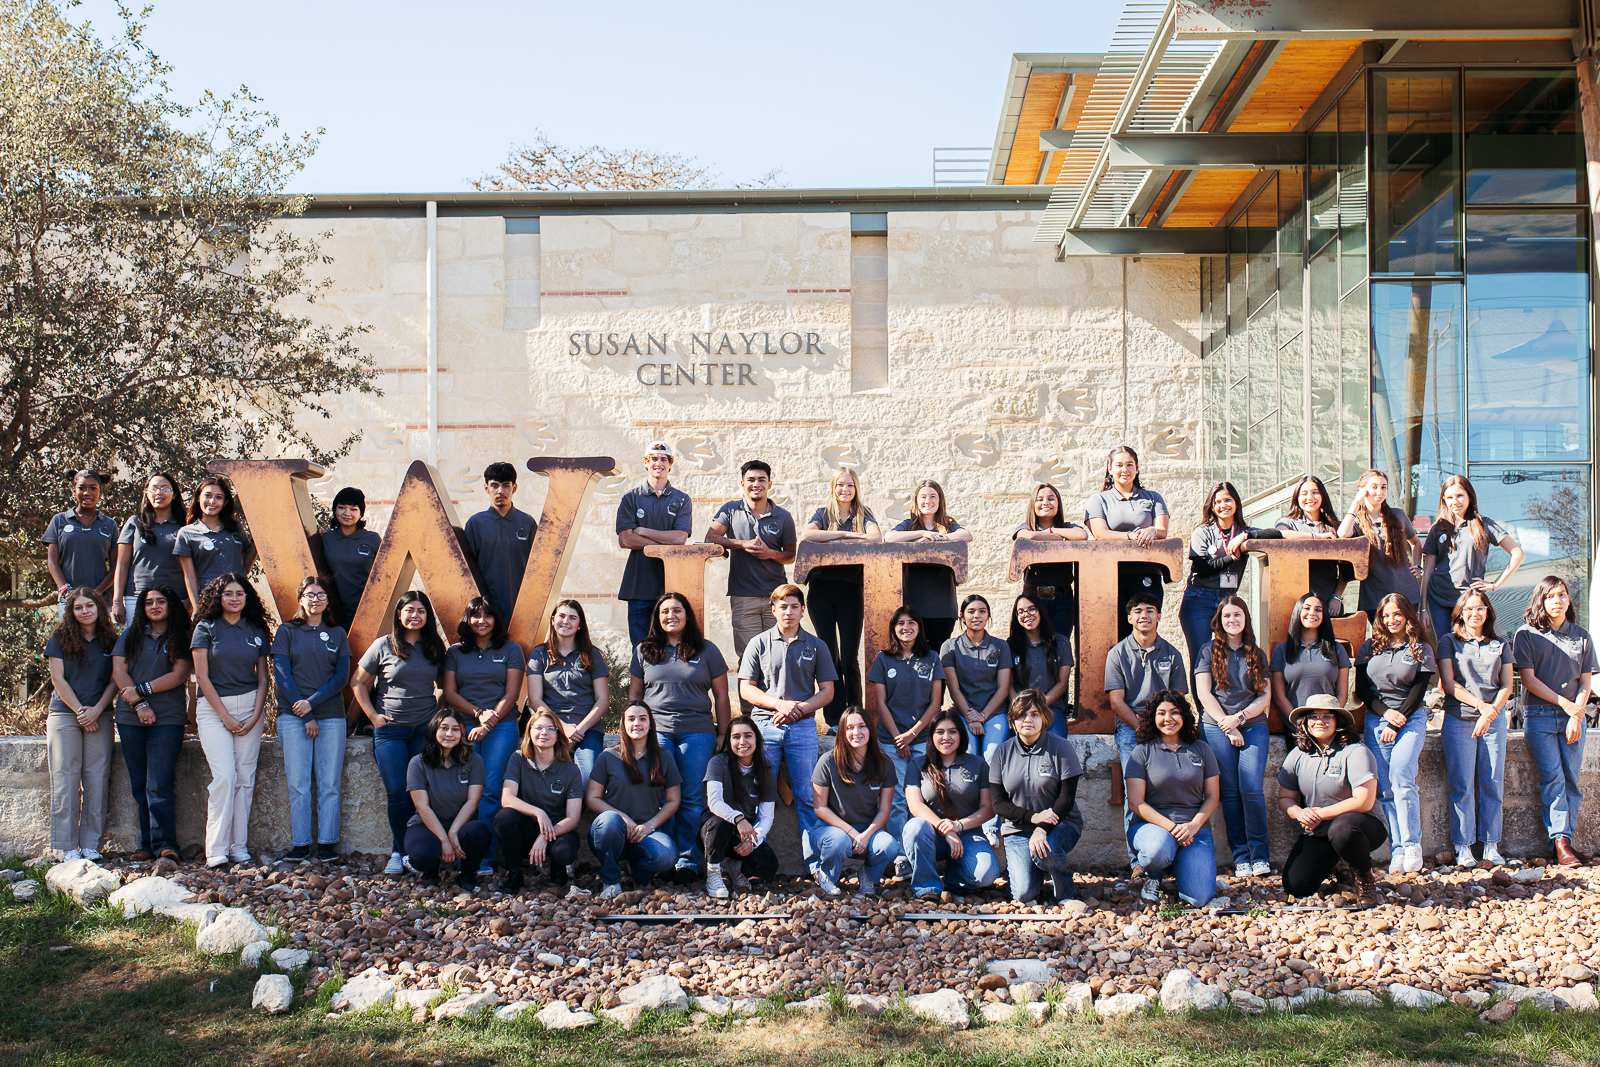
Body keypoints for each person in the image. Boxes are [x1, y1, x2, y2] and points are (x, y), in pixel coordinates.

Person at [629, 591, 729, 883]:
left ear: (688, 616)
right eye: (664, 612)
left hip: (697, 732)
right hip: (656, 734)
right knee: (660, 796)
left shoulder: (706, 650)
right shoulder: (644, 651)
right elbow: (635, 696)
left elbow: (722, 696)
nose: (670, 616)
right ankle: (664, 857)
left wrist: (722, 731)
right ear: (657, 618)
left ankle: (686, 861)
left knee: (690, 799)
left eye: (677, 610)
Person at [738, 584, 837, 873]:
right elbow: (746, 689)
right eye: (783, 607)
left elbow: (828, 691)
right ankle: (754, 863)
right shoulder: (759, 643)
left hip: (803, 726)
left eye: (794, 606)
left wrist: (798, 709)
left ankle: (815, 866)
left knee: (808, 796)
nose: (789, 612)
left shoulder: (816, 646)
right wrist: (777, 705)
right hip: (765, 725)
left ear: (802, 610)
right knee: (757, 792)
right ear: (773, 610)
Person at [353, 590, 446, 876]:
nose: (415, 616)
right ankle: (399, 851)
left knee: (420, 792)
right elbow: (357, 682)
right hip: (390, 732)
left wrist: (437, 717)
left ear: (427, 616)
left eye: (420, 611)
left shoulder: (434, 648)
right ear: (399, 614)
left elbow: (443, 685)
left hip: (423, 731)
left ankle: (413, 850)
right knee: (397, 792)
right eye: (409, 610)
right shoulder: (384, 645)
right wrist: (373, 716)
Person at [1514, 575, 1598, 866]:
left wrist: (1577, 713)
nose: (1558, 601)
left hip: (1573, 718)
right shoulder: (1526, 634)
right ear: (1542, 600)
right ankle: (1560, 841)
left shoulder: (1582, 636)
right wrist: (1565, 704)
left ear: (1569, 599)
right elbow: (1528, 679)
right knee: (1553, 778)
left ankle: (1566, 844)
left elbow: (1585, 683)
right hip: (1540, 717)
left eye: (1562, 595)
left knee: (1572, 781)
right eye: (1551, 596)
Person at [190, 573, 273, 868]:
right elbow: (201, 676)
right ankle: (216, 849)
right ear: (219, 597)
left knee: (244, 778)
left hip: (250, 707)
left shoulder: (255, 630)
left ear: (246, 598)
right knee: (224, 776)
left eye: (239, 593)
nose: (234, 598)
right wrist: (224, 716)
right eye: (228, 594)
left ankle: (238, 847)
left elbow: (263, 678)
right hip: (214, 709)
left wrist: (256, 714)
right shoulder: (205, 628)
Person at [443, 596, 526, 877]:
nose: (482, 621)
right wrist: (478, 713)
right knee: (463, 791)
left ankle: (485, 860)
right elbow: (450, 693)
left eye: (487, 616)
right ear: (467, 620)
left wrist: (488, 723)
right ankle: (461, 854)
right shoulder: (454, 652)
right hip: (462, 726)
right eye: (475, 616)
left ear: (496, 620)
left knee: (490, 790)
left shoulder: (511, 649)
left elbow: (512, 694)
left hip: (500, 726)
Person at [1277, 694, 1385, 908]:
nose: (1320, 721)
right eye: (1313, 717)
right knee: (1296, 886)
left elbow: (1363, 802)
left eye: (1327, 716)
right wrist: (1299, 813)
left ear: (1338, 721)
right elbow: (1285, 798)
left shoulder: (1356, 752)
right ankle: (1338, 865)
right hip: (1319, 831)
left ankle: (1365, 879)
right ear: (1305, 723)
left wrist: (1318, 814)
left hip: (1361, 827)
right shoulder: (1298, 755)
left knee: (1342, 829)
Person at [1354, 593, 1436, 874]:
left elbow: (1419, 690)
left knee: (1402, 775)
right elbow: (1362, 689)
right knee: (1385, 789)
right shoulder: (1368, 648)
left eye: (1397, 614)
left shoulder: (1420, 648)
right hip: (1377, 720)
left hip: (1410, 720)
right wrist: (1384, 713)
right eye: (1386, 615)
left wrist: (1396, 720)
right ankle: (1397, 848)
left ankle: (1413, 843)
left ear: (1407, 616)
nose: (1391, 620)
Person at [271, 575, 351, 862]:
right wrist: (303, 712)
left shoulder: (338, 633)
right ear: (300, 599)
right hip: (293, 717)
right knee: (299, 783)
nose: (315, 599)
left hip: (330, 717)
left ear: (327, 601)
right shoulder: (287, 632)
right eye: (310, 594)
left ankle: (328, 844)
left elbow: (341, 677)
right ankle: (301, 843)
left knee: (329, 783)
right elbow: (282, 674)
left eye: (321, 595)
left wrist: (312, 704)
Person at [111, 585, 193, 862]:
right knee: (139, 784)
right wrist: (138, 704)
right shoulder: (130, 635)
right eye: (148, 602)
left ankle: (166, 844)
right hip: (129, 718)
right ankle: (146, 844)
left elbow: (180, 673)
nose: (155, 606)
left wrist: (142, 691)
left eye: (161, 601)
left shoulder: (181, 636)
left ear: (171, 605)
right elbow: (118, 671)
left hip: (167, 719)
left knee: (159, 783)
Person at [1194, 595, 1273, 878]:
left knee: (1251, 788)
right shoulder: (1208, 651)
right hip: (1217, 726)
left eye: (1237, 615)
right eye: (1227, 616)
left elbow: (1265, 696)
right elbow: (1204, 694)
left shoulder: (1256, 652)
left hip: (1251, 725)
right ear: (1219, 621)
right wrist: (1227, 725)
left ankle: (1259, 855)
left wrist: (1239, 720)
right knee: (1228, 791)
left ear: (1245, 618)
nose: (1232, 620)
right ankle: (1240, 856)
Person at [707, 459, 797, 705]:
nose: (756, 484)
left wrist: (770, 554)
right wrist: (742, 543)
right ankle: (750, 718)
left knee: (779, 655)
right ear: (742, 483)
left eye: (761, 480)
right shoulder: (730, 510)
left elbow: (790, 555)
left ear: (769, 484)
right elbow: (711, 536)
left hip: (776, 598)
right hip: (743, 595)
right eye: (751, 480)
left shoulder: (783, 516)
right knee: (748, 657)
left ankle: (778, 711)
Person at [1437, 589, 1514, 868]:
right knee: (1462, 784)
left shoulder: (1501, 644)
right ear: (1460, 613)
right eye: (1468, 609)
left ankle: (1491, 844)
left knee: (1492, 782)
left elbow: (1507, 685)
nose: (1474, 613)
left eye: (1480, 608)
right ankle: (1464, 846)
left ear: (1488, 611)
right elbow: (1449, 684)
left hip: (1493, 722)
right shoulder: (1449, 642)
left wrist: (1490, 714)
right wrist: (1481, 707)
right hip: (1460, 720)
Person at [801, 466, 881, 727]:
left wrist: (833, 540)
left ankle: (856, 714)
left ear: (855, 488)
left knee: (849, 657)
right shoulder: (823, 514)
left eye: (849, 485)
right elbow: (808, 535)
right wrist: (847, 534)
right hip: (821, 592)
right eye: (839, 485)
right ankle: (835, 719)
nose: (844, 490)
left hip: (851, 591)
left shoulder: (863, 514)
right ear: (833, 488)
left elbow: (875, 538)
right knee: (829, 655)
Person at [1125, 690, 1220, 907]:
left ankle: (1181, 865)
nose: (1168, 719)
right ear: (1153, 718)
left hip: (1194, 831)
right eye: (1161, 713)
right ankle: (1154, 875)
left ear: (1184, 716)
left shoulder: (1202, 749)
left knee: (1200, 898)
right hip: (1152, 828)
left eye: (1174, 712)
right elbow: (1136, 802)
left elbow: (1213, 796)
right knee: (1156, 851)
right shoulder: (1141, 752)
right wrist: (1173, 828)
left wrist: (1193, 826)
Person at [988, 689, 1083, 903]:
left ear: (1044, 718)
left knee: (1047, 849)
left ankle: (1065, 892)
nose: (1028, 720)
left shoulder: (1062, 748)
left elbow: (1066, 800)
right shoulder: (1002, 753)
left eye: (1034, 714)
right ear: (1012, 721)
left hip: (1061, 823)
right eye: (1021, 715)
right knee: (1023, 894)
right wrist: (1033, 818)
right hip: (1019, 828)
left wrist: (1042, 828)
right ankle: (1036, 869)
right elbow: (998, 804)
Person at [44, 588, 118, 860]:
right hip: (65, 714)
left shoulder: (112, 639)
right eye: (78, 607)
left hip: (100, 714)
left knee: (97, 779)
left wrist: (96, 710)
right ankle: (65, 847)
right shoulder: (60, 637)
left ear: (99, 607)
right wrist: (80, 711)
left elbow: (115, 680)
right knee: (66, 778)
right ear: (71, 611)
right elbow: (58, 679)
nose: (85, 611)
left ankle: (90, 845)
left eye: (90, 605)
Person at [586, 703, 682, 900]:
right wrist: (623, 819)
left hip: (644, 833)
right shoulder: (608, 756)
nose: (636, 723)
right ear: (623, 724)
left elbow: (673, 801)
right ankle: (611, 882)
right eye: (631, 719)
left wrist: (649, 825)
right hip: (611, 833)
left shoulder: (664, 757)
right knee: (610, 821)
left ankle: (638, 874)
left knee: (667, 855)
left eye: (642, 718)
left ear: (650, 724)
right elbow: (592, 797)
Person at [902, 707, 997, 901]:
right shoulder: (918, 765)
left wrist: (959, 826)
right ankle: (927, 887)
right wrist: (947, 830)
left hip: (968, 834)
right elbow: (915, 806)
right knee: (914, 826)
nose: (946, 737)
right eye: (940, 732)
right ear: (931, 736)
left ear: (961, 735)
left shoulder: (978, 764)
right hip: (930, 835)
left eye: (952, 731)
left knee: (986, 875)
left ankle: (953, 877)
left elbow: (988, 809)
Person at [868, 605, 944, 844]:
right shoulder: (883, 659)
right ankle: (901, 853)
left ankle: (923, 847)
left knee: (924, 796)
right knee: (897, 798)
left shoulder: (932, 658)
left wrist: (911, 734)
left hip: (922, 741)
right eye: (900, 623)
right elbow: (880, 703)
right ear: (894, 629)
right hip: (890, 741)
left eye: (911, 623)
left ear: (919, 627)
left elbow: (935, 704)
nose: (906, 628)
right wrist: (898, 737)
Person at [1421, 475, 1525, 645]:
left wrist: (1494, 584)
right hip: (1438, 599)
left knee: (1469, 648)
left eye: (1460, 495)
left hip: (1470, 601)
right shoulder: (1438, 527)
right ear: (1444, 500)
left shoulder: (1483, 524)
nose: (1455, 501)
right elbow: (1428, 571)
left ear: (1469, 496)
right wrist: (1423, 608)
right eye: (1449, 497)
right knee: (1446, 649)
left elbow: (1518, 554)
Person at [941, 594, 1013, 841]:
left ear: (988, 616)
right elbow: (954, 688)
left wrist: (982, 715)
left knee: (992, 755)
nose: (977, 616)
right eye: (971, 611)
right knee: (968, 758)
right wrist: (970, 716)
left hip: (994, 713)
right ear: (962, 616)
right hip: (962, 713)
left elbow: (1003, 689)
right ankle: (968, 821)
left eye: (982, 611)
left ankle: (991, 825)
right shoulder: (950, 646)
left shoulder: (1001, 646)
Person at [810, 706, 900, 897]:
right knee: (839, 840)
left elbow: (884, 810)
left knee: (890, 845)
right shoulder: (828, 762)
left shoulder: (884, 764)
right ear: (842, 732)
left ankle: (867, 875)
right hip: (829, 830)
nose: (856, 732)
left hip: (867, 830)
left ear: (870, 730)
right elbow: (820, 807)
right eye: (849, 728)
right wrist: (850, 832)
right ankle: (827, 874)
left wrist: (866, 835)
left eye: (862, 726)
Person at [1084, 446, 1170, 641]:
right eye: (1119, 465)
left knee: (1146, 634)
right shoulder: (1098, 500)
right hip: (1112, 577)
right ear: (1110, 468)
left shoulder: (1153, 498)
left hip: (1148, 575)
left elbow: (1162, 531)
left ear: (1137, 468)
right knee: (1116, 634)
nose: (1125, 470)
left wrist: (1152, 531)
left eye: (1130, 465)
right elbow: (1100, 533)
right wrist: (1131, 536)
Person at [494, 710, 585, 893]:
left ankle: (558, 871)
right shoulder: (518, 759)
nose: (544, 733)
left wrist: (545, 835)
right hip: (527, 829)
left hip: (558, 831)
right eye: (539, 728)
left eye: (551, 729)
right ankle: (515, 874)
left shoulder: (571, 769)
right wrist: (538, 812)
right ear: (529, 732)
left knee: (563, 851)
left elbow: (573, 819)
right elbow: (507, 798)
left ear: (558, 735)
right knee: (504, 817)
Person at [1105, 589, 1187, 784]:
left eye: (1150, 611)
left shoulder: (1172, 654)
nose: (1144, 615)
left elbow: (1179, 698)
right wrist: (1140, 726)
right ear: (1129, 618)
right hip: (1130, 726)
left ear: (1158, 616)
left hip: (1165, 723)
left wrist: (1160, 724)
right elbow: (1116, 702)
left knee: (1167, 784)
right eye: (1138, 611)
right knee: (1134, 786)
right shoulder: (1117, 654)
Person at [615, 441, 692, 645]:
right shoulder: (630, 498)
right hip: (639, 585)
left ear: (670, 464)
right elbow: (625, 539)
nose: (659, 463)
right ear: (645, 463)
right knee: (641, 648)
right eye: (654, 459)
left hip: (671, 585)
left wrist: (643, 531)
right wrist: (664, 538)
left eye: (664, 459)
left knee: (671, 647)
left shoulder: (682, 500)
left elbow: (679, 539)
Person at [1180, 482, 1261, 674]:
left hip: (1228, 600)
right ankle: (1202, 705)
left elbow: (1275, 535)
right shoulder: (1203, 531)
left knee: (1231, 655)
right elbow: (1202, 567)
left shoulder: (1244, 532)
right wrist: (1231, 557)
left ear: (1236, 503)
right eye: (1217, 502)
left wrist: (1245, 537)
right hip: (1199, 598)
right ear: (1212, 506)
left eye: (1228, 500)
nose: (1223, 505)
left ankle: (1226, 702)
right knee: (1201, 659)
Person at [404, 708, 489, 889]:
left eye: (456, 729)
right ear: (434, 730)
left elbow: (472, 801)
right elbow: (422, 807)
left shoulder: (474, 761)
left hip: (461, 823)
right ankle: (430, 872)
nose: (449, 734)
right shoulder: (418, 763)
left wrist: (453, 832)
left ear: (462, 732)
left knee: (479, 832)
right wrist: (443, 839)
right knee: (422, 853)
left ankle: (467, 874)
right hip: (426, 824)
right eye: (444, 728)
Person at [527, 599, 610, 781]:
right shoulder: (539, 654)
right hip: (549, 728)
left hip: (587, 730)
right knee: (544, 778)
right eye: (562, 616)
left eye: (573, 618)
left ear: (579, 625)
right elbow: (534, 699)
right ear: (553, 620)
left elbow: (603, 699)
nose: (566, 621)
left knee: (587, 778)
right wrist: (561, 727)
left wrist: (578, 730)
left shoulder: (592, 654)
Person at [701, 715, 780, 899]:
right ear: (729, 740)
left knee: (768, 866)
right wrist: (739, 819)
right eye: (736, 737)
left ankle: (735, 867)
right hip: (713, 830)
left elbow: (767, 817)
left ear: (757, 739)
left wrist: (752, 842)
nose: (742, 742)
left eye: (748, 736)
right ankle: (713, 872)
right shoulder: (718, 763)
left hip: (743, 834)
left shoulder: (765, 770)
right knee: (720, 823)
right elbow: (714, 802)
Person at [884, 479, 971, 644]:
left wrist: (939, 538)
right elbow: (889, 537)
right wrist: (921, 534)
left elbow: (967, 535)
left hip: (943, 605)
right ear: (916, 501)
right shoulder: (909, 525)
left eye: (933, 497)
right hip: (914, 604)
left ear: (939, 500)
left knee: (937, 655)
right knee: (916, 655)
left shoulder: (948, 525)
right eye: (923, 497)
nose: (928, 501)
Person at [1337, 470, 1420, 618]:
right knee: (1381, 639)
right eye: (1374, 486)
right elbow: (1342, 534)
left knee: (1407, 638)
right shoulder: (1356, 521)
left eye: (1383, 487)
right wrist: (1356, 501)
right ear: (1362, 490)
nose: (1379, 492)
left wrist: (1417, 566)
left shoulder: (1398, 515)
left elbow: (1416, 543)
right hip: (1374, 594)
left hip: (1406, 591)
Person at [1012, 482, 1088, 642]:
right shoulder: (1026, 527)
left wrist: (1052, 531)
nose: (1045, 502)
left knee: (1060, 646)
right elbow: (1028, 536)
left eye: (1051, 499)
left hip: (1062, 599)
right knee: (1033, 648)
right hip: (1033, 599)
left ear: (1058, 505)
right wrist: (1062, 538)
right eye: (1040, 499)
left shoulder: (1068, 527)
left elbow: (1082, 535)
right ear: (1033, 505)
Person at [463, 461, 537, 622]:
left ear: (514, 488)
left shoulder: (527, 522)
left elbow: (538, 568)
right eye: (495, 486)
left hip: (521, 608)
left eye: (506, 486)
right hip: (485, 611)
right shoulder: (475, 523)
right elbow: (467, 569)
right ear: (486, 488)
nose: (500, 491)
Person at [1272, 474, 1352, 614]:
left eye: (1315, 492)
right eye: (1304, 493)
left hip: (1328, 599)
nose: (1310, 497)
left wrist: (1337, 597)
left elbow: (1345, 567)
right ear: (1297, 497)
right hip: (1296, 600)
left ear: (1323, 496)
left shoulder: (1334, 527)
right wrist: (1318, 537)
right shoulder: (1288, 522)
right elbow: (1282, 535)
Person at [174, 476, 257, 612]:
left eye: (219, 497)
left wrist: (258, 540)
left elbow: (244, 568)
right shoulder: (186, 533)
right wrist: (197, 609)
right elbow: (190, 577)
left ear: (225, 502)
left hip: (239, 598)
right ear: (198, 498)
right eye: (207, 495)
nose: (212, 501)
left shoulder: (236, 528)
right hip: (209, 599)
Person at [113, 472, 186, 625]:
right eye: (154, 488)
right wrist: (117, 601)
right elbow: (122, 564)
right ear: (147, 493)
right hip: (137, 597)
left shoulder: (186, 525)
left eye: (165, 488)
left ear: (174, 495)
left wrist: (191, 602)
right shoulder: (134, 522)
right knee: (135, 646)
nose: (159, 493)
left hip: (177, 598)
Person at [43, 470, 118, 614]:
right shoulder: (59, 520)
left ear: (101, 492)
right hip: (68, 602)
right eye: (81, 488)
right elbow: (52, 562)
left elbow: (116, 568)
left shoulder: (110, 525)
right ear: (73, 490)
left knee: (99, 637)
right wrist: (67, 591)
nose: (87, 492)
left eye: (93, 488)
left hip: (100, 601)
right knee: (69, 637)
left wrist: (95, 594)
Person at [1270, 592, 1351, 719]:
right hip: (1295, 729)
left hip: (1327, 727)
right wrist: (1299, 723)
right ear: (1298, 612)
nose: (1312, 613)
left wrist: (1328, 720)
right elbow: (1279, 697)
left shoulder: (1337, 649)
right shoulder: (1281, 651)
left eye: (1318, 610)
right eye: (1307, 608)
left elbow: (1342, 694)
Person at [1008, 592, 1074, 737]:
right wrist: (1022, 707)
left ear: (1041, 611)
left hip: (1050, 707)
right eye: (1021, 612)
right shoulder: (1011, 645)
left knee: (1056, 741)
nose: (1027, 614)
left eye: (1032, 609)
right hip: (1021, 708)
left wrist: (1039, 705)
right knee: (1019, 741)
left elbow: (1062, 684)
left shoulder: (1061, 643)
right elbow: (1009, 685)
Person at [319, 487, 382, 627]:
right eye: (341, 507)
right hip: (334, 611)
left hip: (366, 611)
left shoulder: (373, 539)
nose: (347, 513)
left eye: (353, 509)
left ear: (361, 513)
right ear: (335, 510)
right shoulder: (326, 538)